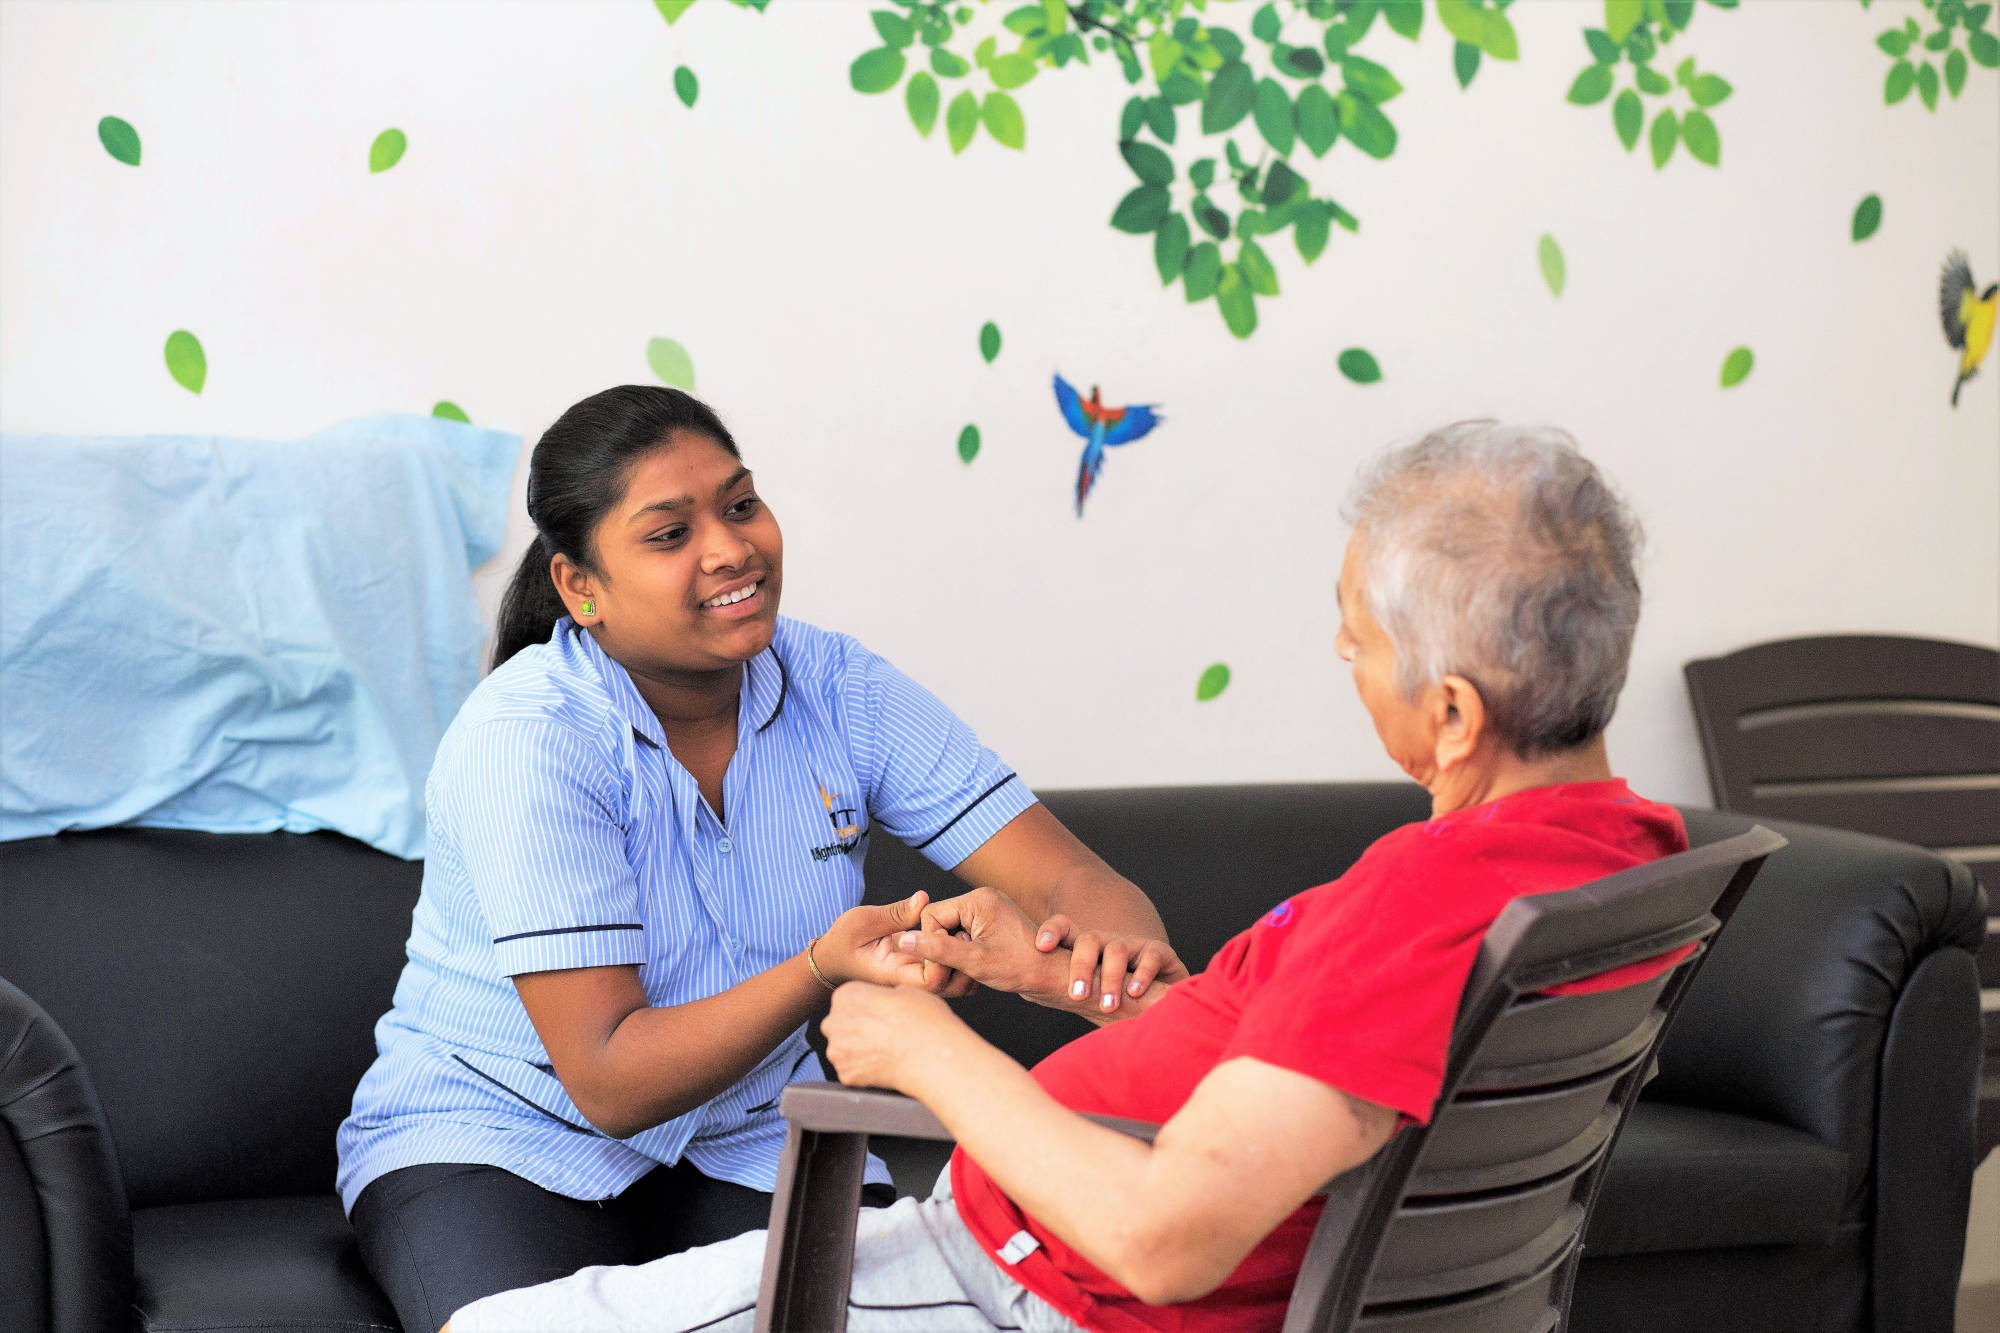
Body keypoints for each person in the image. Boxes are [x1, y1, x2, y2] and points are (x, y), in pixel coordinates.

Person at [443, 420, 1692, 1333]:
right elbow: (1299, 1077)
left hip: (1034, 1277)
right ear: (581, 585)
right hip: (1003, 1239)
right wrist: (1043, 979)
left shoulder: (1418, 905)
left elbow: (1164, 1239)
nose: (1342, 655)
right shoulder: (1621, 852)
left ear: (1457, 713)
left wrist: (926, 1048)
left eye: (1356, 637)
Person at [337, 385, 1185, 1333]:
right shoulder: (528, 735)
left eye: (740, 505)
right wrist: (826, 964)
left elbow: (1076, 881)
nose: (732, 547)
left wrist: (1103, 966)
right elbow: (611, 1079)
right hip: (499, 1138)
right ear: (582, 589)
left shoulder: (839, 686)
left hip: (755, 1134)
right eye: (670, 535)